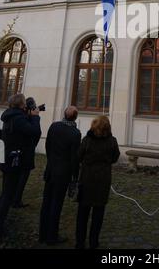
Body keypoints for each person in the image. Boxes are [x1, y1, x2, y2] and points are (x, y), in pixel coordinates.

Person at [0, 94, 41, 239]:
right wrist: (35, 117)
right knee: (8, 194)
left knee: (6, 190)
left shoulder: (10, 115)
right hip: (14, 160)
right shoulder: (18, 119)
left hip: (8, 158)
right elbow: (35, 132)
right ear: (21, 105)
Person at [75, 115, 120, 250]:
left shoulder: (87, 140)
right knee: (98, 214)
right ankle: (94, 242)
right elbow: (115, 157)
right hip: (103, 180)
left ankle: (80, 242)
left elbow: (79, 156)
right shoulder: (112, 141)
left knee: (82, 213)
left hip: (87, 179)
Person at [39, 106, 81, 246]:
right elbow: (74, 158)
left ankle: (42, 233)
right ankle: (51, 236)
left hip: (51, 169)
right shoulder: (75, 133)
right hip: (63, 174)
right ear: (75, 117)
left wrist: (51, 161)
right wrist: (75, 177)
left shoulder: (54, 126)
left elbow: (47, 146)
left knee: (46, 202)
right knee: (56, 204)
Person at [12, 97, 42, 208]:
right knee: (22, 178)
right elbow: (36, 132)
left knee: (16, 177)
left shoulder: (20, 117)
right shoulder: (25, 119)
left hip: (19, 152)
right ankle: (16, 200)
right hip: (25, 153)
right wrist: (36, 117)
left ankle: (13, 198)